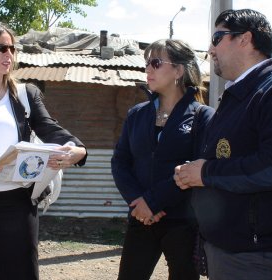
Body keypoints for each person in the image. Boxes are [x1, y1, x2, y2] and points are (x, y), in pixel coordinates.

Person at [174, 9, 272, 280]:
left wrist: (205, 173)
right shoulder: (240, 94)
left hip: (262, 255)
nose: (210, 49)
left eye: (217, 38)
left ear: (245, 39)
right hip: (239, 252)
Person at [0, 22, 87, 280]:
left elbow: (50, 129)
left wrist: (78, 149)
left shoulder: (26, 94)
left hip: (19, 206)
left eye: (12, 48)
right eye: (1, 48)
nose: (9, 54)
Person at [111, 39, 214, 280]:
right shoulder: (137, 114)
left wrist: (153, 202)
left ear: (179, 70)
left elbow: (195, 170)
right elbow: (120, 162)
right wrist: (138, 201)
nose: (148, 69)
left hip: (183, 221)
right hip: (141, 217)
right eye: (147, 63)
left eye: (156, 63)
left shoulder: (203, 117)